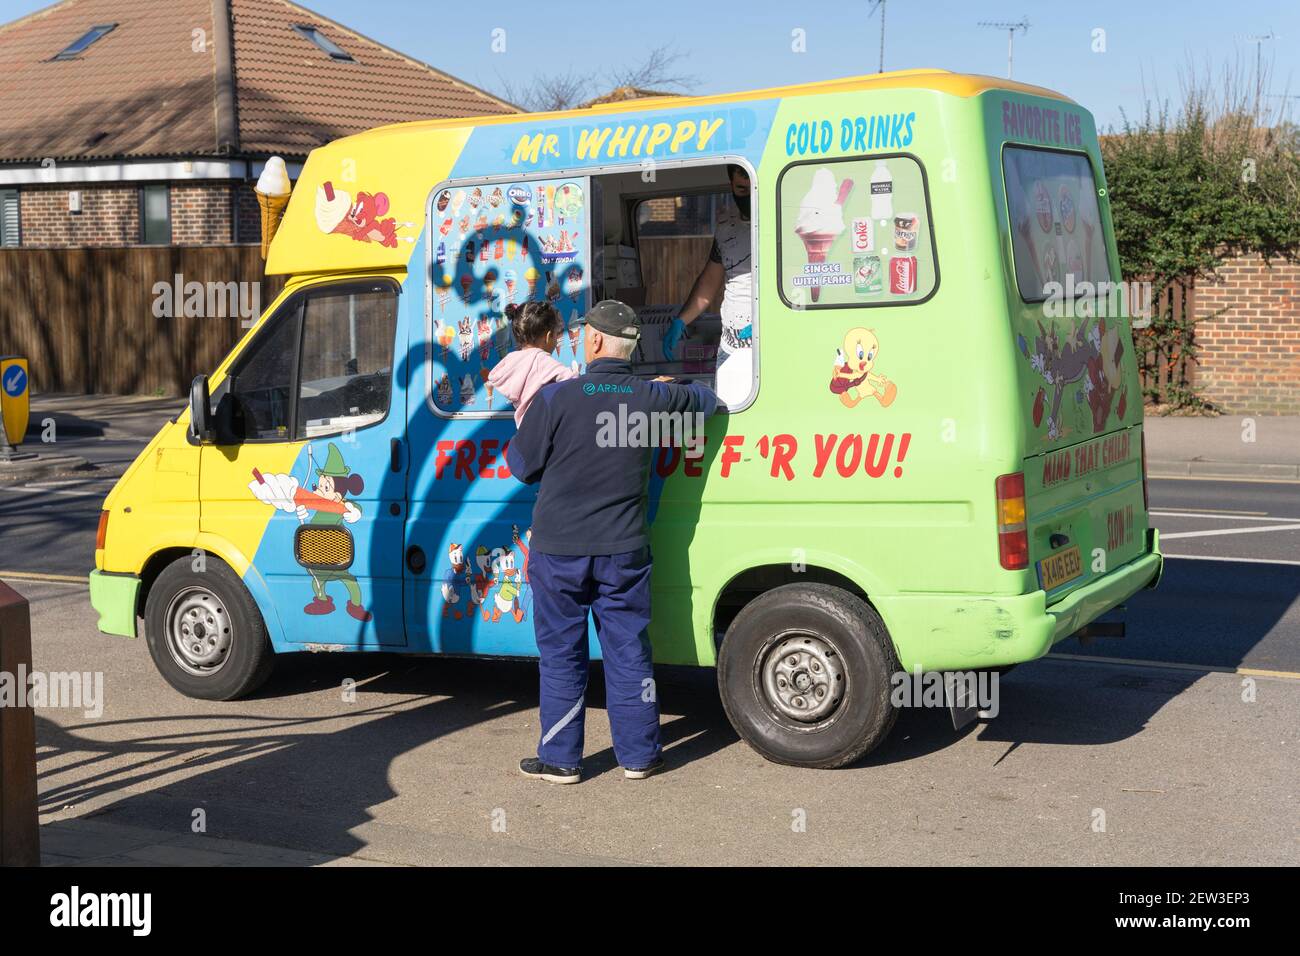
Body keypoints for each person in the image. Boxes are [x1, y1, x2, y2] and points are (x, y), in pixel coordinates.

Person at [506, 299, 719, 784]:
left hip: (559, 550)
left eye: (583, 334)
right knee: (628, 650)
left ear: (595, 341)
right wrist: (674, 386)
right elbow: (709, 404)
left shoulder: (557, 399)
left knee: (562, 654)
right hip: (623, 550)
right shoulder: (650, 399)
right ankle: (640, 756)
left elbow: (521, 467)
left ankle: (560, 760)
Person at [661, 164, 753, 406]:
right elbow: (710, 280)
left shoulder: (780, 223)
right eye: (741, 189)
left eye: (752, 188)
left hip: (767, 344)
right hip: (730, 346)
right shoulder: (726, 226)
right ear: (732, 186)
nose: (747, 196)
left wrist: (767, 323)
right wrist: (681, 320)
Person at [488, 301, 577, 426]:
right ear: (548, 336)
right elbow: (573, 381)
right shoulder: (540, 360)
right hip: (545, 429)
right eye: (556, 335)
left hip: (524, 430)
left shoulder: (511, 360)